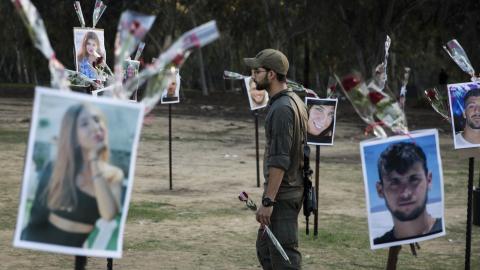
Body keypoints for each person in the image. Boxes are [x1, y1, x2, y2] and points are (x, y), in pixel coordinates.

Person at [21, 103, 123, 247]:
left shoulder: (114, 174)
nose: (95, 127)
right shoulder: (57, 167)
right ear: (73, 136)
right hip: (41, 240)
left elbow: (109, 215)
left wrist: (94, 160)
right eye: (84, 124)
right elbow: (37, 214)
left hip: (77, 248)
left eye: (97, 120)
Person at [244, 48, 308, 269]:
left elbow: (280, 160)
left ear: (271, 74)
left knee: (284, 259)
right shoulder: (292, 100)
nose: (253, 76)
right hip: (287, 190)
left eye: (257, 71)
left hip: (283, 194)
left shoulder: (282, 108)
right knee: (265, 249)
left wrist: (268, 202)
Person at [373, 142, 442, 245]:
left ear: (429, 180)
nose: (405, 194)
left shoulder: (446, 233)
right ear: (380, 190)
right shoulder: (379, 244)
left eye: (414, 179)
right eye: (394, 183)